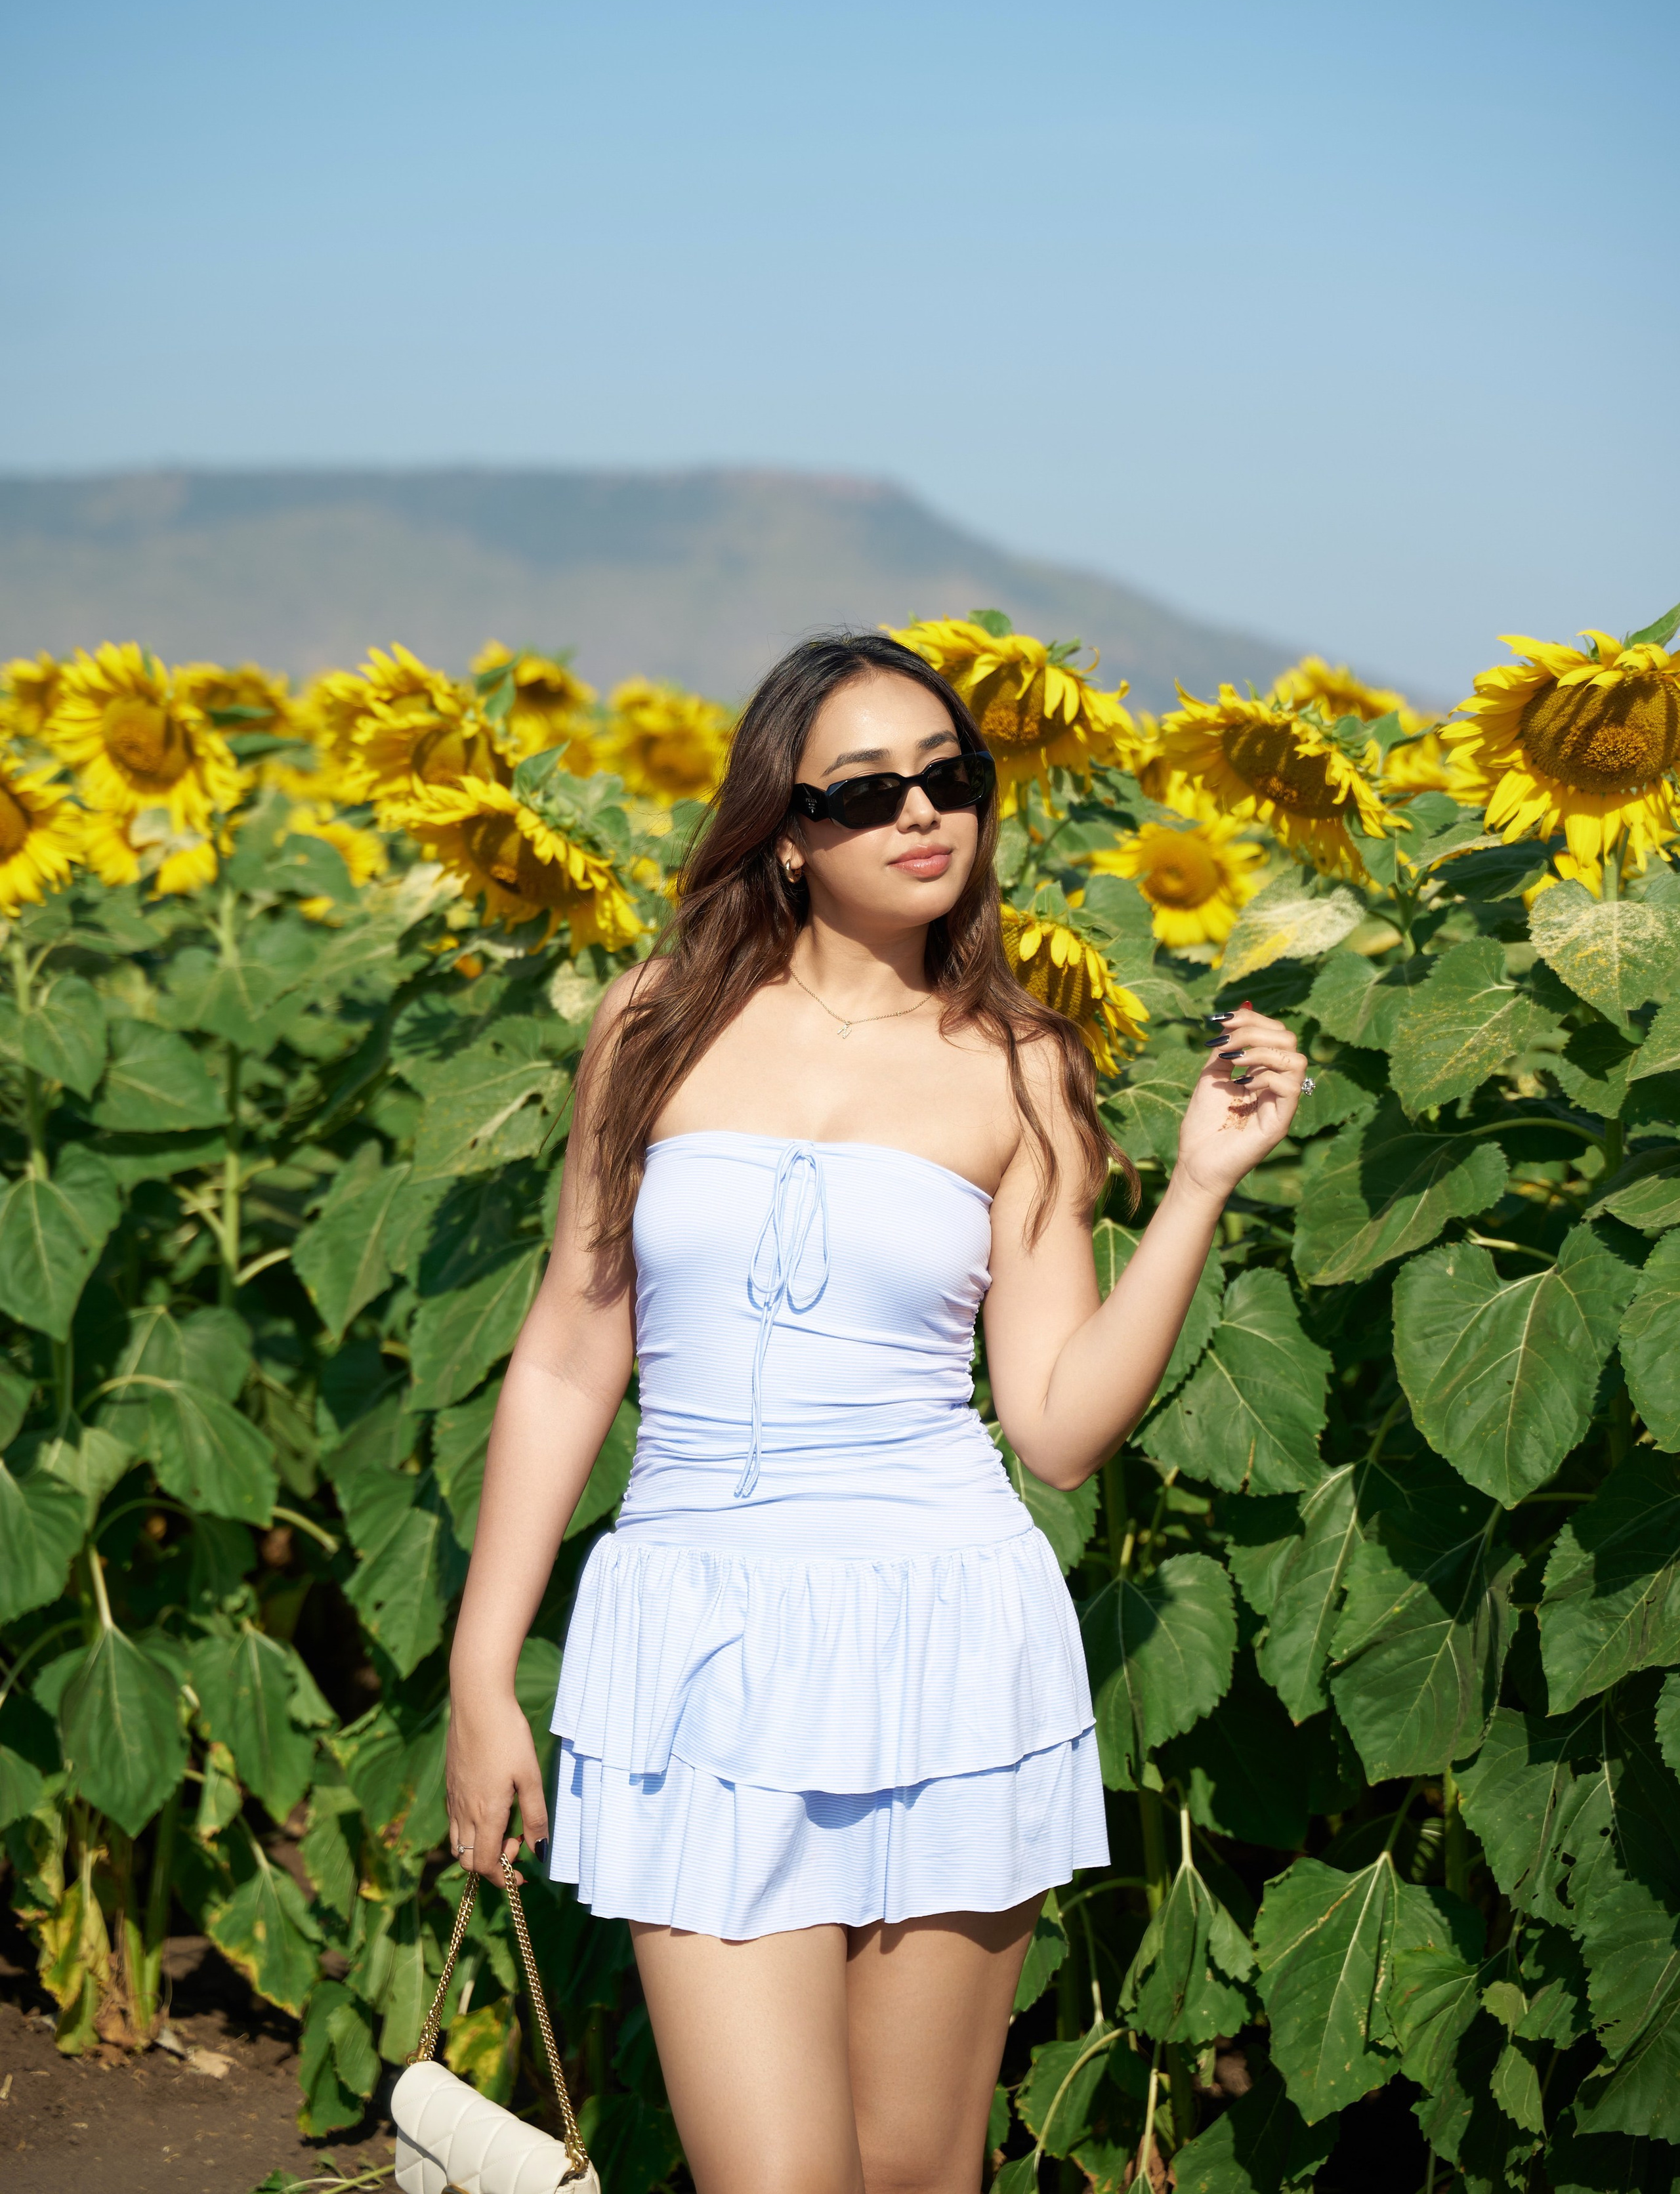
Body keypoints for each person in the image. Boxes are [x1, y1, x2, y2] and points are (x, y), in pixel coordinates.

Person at [445, 630, 1307, 2194]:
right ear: (783, 827)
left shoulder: (1023, 1067)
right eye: (868, 789)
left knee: (915, 2176)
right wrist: (480, 1668)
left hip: (946, 1637)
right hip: (698, 1641)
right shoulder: (652, 1023)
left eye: (952, 777)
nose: (924, 813)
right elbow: (572, 1350)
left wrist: (1192, 1189)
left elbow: (1050, 1425)